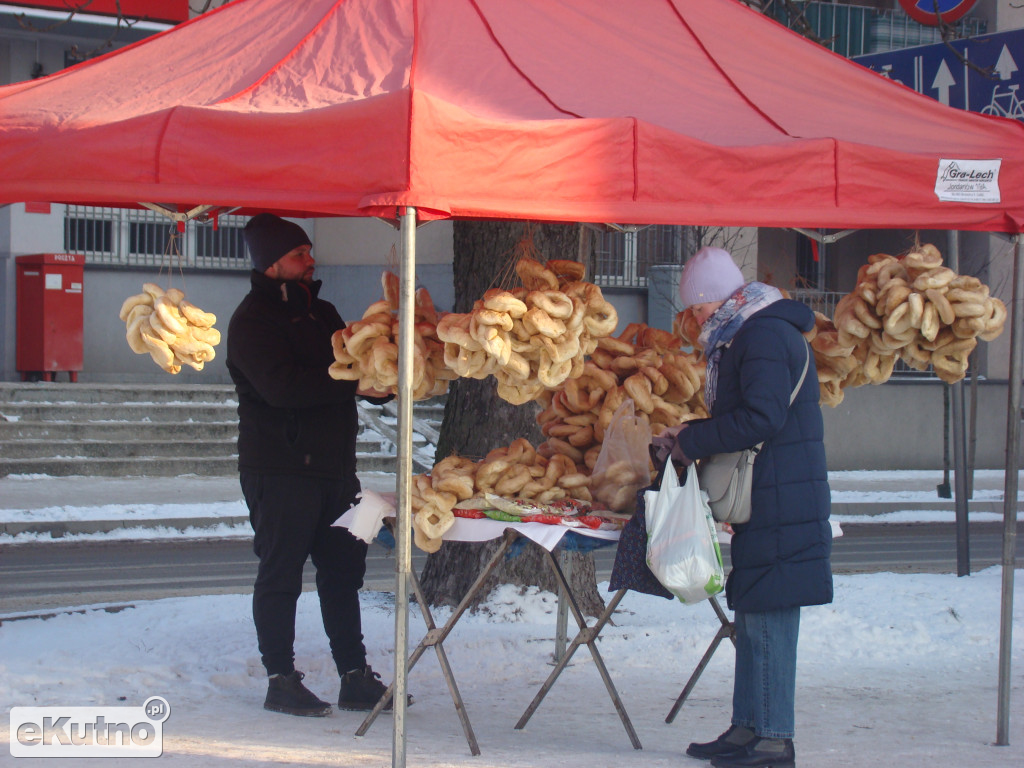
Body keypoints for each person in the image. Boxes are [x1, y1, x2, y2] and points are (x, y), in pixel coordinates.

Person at [653, 246, 832, 768]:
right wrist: (693, 434)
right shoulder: (748, 333)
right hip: (769, 494)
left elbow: (761, 417)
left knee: (771, 617)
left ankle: (774, 737)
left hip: (782, 495)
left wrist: (693, 440)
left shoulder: (764, 335)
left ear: (718, 298)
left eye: (699, 307)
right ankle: (747, 726)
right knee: (751, 615)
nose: (697, 318)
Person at [227, 213, 400, 717]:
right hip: (278, 468)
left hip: (334, 468)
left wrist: (378, 383)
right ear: (273, 263)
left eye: (309, 251)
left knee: (344, 572)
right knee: (281, 574)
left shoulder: (323, 311)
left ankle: (354, 675)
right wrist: (351, 385)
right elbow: (282, 387)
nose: (311, 261)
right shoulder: (251, 321)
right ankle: (280, 678)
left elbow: (352, 368)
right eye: (300, 254)